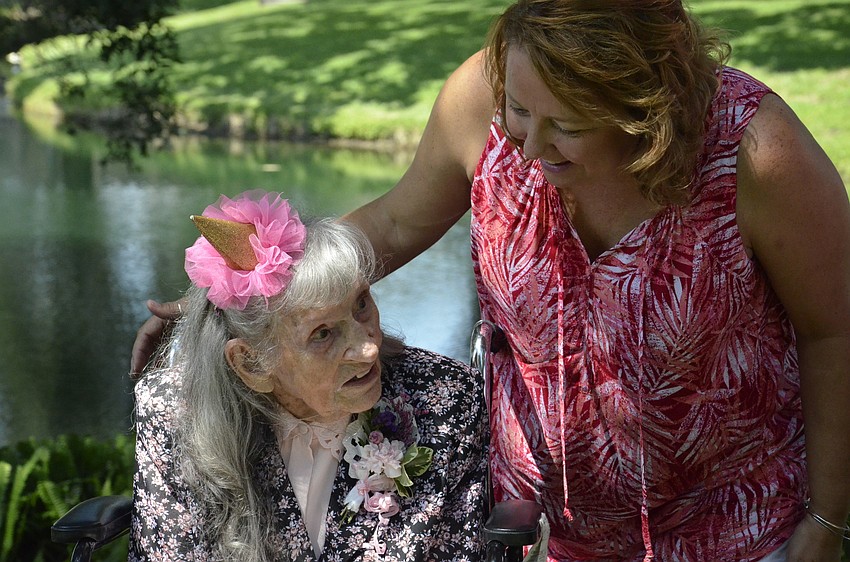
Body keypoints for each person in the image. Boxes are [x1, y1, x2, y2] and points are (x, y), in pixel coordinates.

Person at [131, 1, 850, 560]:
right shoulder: (482, 96)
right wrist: (227, 303)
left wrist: (828, 518)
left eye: (564, 124)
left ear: (643, 106)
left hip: (743, 534)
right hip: (534, 537)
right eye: (519, 113)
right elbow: (395, 226)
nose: (528, 147)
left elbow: (835, 330)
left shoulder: (754, 152)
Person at [129, 191, 487, 561]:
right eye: (323, 334)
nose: (368, 349)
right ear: (252, 364)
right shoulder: (175, 413)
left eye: (361, 304)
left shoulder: (446, 398)